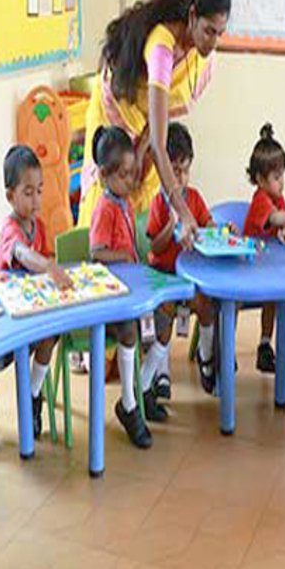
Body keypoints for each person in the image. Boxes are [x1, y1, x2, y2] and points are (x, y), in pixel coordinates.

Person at [80, 0, 231, 235]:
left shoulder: (202, 57)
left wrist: (140, 151)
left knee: (144, 191)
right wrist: (183, 212)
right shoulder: (162, 46)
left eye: (220, 33)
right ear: (192, 16)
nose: (213, 42)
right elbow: (160, 147)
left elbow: (158, 117)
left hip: (144, 125)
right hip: (117, 115)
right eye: (208, 31)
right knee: (110, 195)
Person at [0, 146, 70, 455]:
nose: (36, 200)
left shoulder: (39, 227)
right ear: (10, 196)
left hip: (29, 319)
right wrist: (47, 265)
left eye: (39, 191)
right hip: (4, 326)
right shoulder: (10, 229)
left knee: (51, 335)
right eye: (28, 192)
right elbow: (21, 254)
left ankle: (32, 394)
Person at [89, 126, 154, 447]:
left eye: (133, 174)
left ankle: (144, 390)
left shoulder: (124, 202)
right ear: (104, 175)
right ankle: (129, 404)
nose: (131, 181)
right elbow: (96, 253)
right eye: (124, 175)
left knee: (148, 331)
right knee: (129, 332)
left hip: (128, 290)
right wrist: (126, 256)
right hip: (108, 297)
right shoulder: (105, 208)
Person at [145, 122, 218, 396]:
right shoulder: (158, 203)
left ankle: (207, 358)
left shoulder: (195, 199)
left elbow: (208, 223)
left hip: (191, 276)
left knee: (207, 309)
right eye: (174, 170)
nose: (181, 177)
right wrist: (172, 227)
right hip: (164, 275)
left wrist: (220, 230)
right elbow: (155, 245)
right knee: (164, 316)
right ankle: (161, 374)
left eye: (185, 170)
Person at [243, 124, 285, 373]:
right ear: (260, 180)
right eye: (275, 177)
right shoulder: (260, 199)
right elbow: (273, 218)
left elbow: (280, 225)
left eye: (282, 175)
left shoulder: (278, 198)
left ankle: (265, 344)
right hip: (247, 269)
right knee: (236, 303)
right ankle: (222, 348)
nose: (281, 182)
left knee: (274, 298)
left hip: (269, 267)